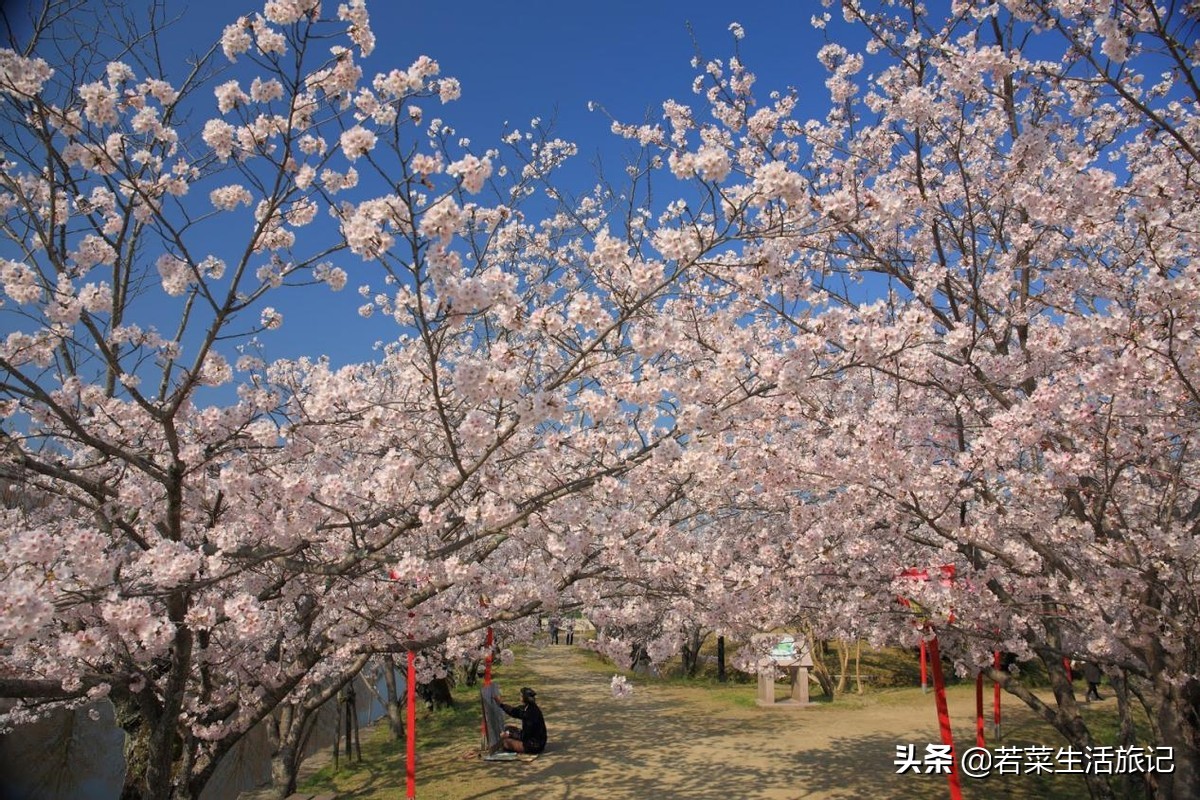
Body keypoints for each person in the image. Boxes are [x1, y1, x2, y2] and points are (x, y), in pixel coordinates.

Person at [494, 686, 547, 754]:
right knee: (507, 728)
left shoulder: (530, 714)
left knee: (505, 742)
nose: (520, 697)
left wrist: (510, 734)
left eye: (521, 696)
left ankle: (518, 748)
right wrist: (501, 705)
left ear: (525, 698)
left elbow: (525, 735)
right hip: (534, 739)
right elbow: (514, 711)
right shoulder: (529, 707)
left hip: (534, 745)